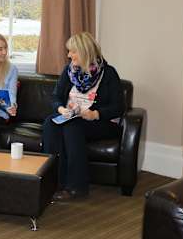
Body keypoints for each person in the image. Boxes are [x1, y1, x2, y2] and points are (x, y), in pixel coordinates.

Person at [42, 32, 126, 200]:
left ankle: (76, 187)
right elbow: (55, 96)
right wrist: (61, 109)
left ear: (85, 51)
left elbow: (118, 107)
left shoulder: (108, 74)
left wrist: (94, 114)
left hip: (99, 122)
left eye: (73, 51)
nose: (69, 55)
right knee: (50, 123)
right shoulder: (69, 71)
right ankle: (53, 182)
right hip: (72, 117)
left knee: (72, 127)